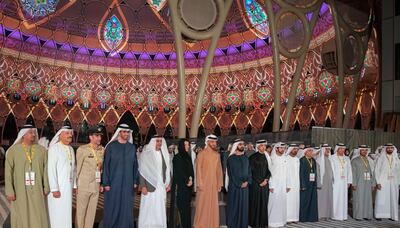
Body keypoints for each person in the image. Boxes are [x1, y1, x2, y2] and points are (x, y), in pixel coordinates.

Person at [5, 124, 50, 228]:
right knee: (22, 212)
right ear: (23, 135)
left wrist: (46, 186)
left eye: (34, 132)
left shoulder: (42, 150)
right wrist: (9, 190)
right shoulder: (13, 151)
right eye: (30, 132)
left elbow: (45, 170)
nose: (33, 134)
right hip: (20, 189)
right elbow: (8, 172)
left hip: (37, 189)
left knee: (38, 212)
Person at [102, 123, 139, 228]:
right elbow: (106, 166)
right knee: (113, 207)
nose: (126, 134)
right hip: (113, 184)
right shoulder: (111, 147)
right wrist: (106, 182)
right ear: (119, 132)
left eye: (128, 132)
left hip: (128, 184)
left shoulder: (131, 148)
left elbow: (135, 166)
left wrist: (135, 181)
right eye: (124, 131)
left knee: (126, 207)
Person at [138, 136, 171, 228]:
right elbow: (141, 171)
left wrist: (168, 183)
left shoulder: (164, 154)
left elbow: (168, 169)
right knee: (148, 207)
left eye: (160, 141)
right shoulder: (146, 153)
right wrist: (143, 186)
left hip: (161, 185)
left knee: (159, 207)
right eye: (157, 141)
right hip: (149, 185)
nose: (159, 143)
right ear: (153, 142)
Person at [75, 125, 105, 228]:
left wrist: (101, 183)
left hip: (95, 185)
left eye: (100, 136)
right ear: (90, 137)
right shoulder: (82, 149)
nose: (99, 138)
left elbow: (102, 169)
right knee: (80, 212)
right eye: (97, 136)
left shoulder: (102, 150)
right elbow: (77, 168)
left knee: (91, 214)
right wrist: (75, 185)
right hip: (84, 185)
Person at [47, 125, 76, 228]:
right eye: (67, 133)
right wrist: (54, 188)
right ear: (60, 135)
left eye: (71, 133)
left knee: (66, 211)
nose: (70, 135)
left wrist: (74, 185)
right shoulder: (54, 148)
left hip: (68, 187)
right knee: (57, 211)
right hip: (58, 188)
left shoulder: (71, 149)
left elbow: (73, 169)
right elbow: (51, 170)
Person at [193, 134, 223, 228]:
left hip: (213, 185)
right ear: (207, 142)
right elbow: (198, 170)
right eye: (212, 142)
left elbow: (219, 170)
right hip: (203, 185)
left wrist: (219, 184)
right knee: (202, 206)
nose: (214, 144)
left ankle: (212, 224)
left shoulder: (217, 155)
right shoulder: (201, 154)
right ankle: (200, 225)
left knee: (213, 206)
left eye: (215, 142)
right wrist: (200, 184)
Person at [226, 139, 252, 228]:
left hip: (245, 187)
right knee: (234, 206)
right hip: (235, 187)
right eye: (240, 144)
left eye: (243, 144)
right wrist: (239, 183)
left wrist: (247, 181)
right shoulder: (231, 159)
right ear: (236, 146)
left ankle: (243, 225)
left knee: (244, 207)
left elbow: (249, 172)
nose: (242, 146)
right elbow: (231, 174)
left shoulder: (246, 158)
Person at [249, 139, 271, 228]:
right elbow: (251, 171)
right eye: (262, 146)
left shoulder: (267, 156)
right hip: (256, 184)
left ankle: (263, 223)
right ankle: (255, 223)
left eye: (265, 146)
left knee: (264, 203)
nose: (264, 147)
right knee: (256, 203)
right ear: (258, 147)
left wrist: (266, 179)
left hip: (265, 184)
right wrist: (259, 182)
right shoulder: (252, 157)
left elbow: (270, 170)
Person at [172, 139, 194, 228]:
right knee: (181, 209)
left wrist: (191, 179)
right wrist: (187, 181)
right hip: (180, 187)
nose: (187, 146)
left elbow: (191, 170)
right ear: (181, 146)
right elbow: (179, 171)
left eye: (188, 144)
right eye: (185, 145)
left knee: (187, 209)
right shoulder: (177, 157)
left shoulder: (188, 156)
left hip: (188, 187)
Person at [374, 143, 400, 221]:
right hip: (383, 181)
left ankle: (392, 215)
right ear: (385, 149)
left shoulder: (396, 159)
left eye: (391, 148)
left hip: (393, 182)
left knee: (392, 198)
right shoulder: (381, 158)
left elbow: (399, 171)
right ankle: (379, 215)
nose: (390, 149)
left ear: (393, 149)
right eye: (388, 148)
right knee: (381, 197)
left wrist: (398, 182)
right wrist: (378, 182)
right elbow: (377, 170)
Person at [268, 142, 290, 228]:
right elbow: (269, 173)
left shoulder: (285, 158)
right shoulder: (271, 158)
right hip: (275, 184)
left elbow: (287, 173)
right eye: (281, 148)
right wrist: (271, 185)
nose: (283, 149)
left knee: (282, 202)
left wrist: (288, 184)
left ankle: (281, 221)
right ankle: (272, 222)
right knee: (274, 202)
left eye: (284, 148)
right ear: (276, 148)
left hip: (283, 184)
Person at [351, 145, 376, 220]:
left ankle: (367, 215)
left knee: (367, 199)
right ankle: (358, 216)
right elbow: (353, 173)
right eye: (363, 150)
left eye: (366, 150)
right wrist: (354, 183)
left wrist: (373, 183)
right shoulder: (355, 160)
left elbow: (373, 172)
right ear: (359, 151)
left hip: (368, 182)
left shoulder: (370, 160)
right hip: (359, 183)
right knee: (359, 199)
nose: (364, 152)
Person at [329, 143, 352, 221]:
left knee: (344, 198)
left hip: (344, 181)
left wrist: (349, 181)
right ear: (337, 149)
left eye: (343, 149)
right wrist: (332, 180)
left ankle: (343, 215)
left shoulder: (347, 158)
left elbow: (349, 170)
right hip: (336, 181)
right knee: (336, 197)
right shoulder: (332, 158)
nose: (342, 150)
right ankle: (335, 215)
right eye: (340, 149)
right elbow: (331, 170)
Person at [299, 146, 319, 222]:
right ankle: (303, 218)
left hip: (312, 184)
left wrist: (315, 183)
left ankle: (311, 218)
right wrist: (302, 185)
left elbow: (315, 172)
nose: (311, 152)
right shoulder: (302, 160)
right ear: (305, 152)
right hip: (305, 184)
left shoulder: (313, 160)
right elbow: (301, 174)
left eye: (311, 151)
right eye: (309, 151)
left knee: (312, 201)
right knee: (304, 201)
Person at [316, 143, 333, 220]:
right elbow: (318, 173)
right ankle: (320, 215)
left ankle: (327, 215)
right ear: (322, 150)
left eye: (329, 150)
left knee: (328, 198)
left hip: (329, 183)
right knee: (321, 199)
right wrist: (319, 183)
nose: (328, 151)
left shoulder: (330, 160)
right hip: (322, 184)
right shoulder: (319, 160)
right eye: (326, 149)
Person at [285, 144, 300, 223]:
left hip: (296, 184)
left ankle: (295, 218)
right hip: (288, 184)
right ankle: (287, 218)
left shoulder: (297, 159)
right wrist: (287, 184)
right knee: (289, 201)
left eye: (297, 149)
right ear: (290, 149)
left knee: (295, 201)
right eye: (294, 149)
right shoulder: (286, 159)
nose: (296, 151)